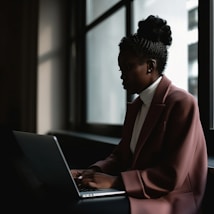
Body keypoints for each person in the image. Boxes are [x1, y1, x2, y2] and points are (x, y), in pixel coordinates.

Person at [72, 15, 207, 214]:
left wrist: (116, 181)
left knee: (79, 208)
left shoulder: (182, 103)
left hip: (169, 201)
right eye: (121, 68)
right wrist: (93, 172)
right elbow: (121, 155)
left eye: (127, 67)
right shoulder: (136, 106)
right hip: (137, 191)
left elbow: (171, 174)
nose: (121, 75)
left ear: (150, 66)